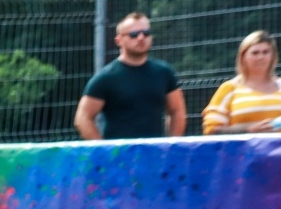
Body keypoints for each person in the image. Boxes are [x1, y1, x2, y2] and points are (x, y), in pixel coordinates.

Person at [76, 12, 186, 140]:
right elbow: (83, 118)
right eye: (134, 34)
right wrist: (103, 149)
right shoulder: (105, 78)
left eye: (146, 33)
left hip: (154, 151)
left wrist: (171, 145)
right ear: (119, 40)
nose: (141, 38)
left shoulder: (164, 73)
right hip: (120, 151)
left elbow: (177, 111)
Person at [201, 30, 281, 135]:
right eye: (255, 53)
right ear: (243, 57)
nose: (261, 57)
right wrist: (248, 130)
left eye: (265, 52)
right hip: (242, 146)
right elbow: (211, 130)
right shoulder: (230, 88)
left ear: (273, 56)